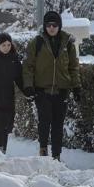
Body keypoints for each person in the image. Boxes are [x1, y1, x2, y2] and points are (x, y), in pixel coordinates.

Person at [22, 11, 81, 162]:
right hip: (42, 90)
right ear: (45, 26)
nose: (52, 28)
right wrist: (28, 86)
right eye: (48, 25)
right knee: (44, 121)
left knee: (57, 124)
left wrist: (76, 87)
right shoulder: (37, 42)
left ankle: (56, 155)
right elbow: (28, 66)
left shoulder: (68, 43)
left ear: (59, 26)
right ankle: (43, 151)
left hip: (62, 90)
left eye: (55, 25)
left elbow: (73, 67)